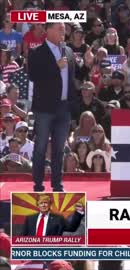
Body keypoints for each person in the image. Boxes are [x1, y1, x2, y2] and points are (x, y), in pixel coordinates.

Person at [28, 23, 79, 192]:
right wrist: (54, 67)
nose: (63, 31)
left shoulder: (69, 52)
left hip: (64, 108)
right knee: (41, 147)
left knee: (59, 149)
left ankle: (57, 184)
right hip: (44, 108)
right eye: (59, 28)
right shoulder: (37, 52)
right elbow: (34, 76)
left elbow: (72, 80)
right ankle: (38, 184)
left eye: (64, 28)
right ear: (48, 30)